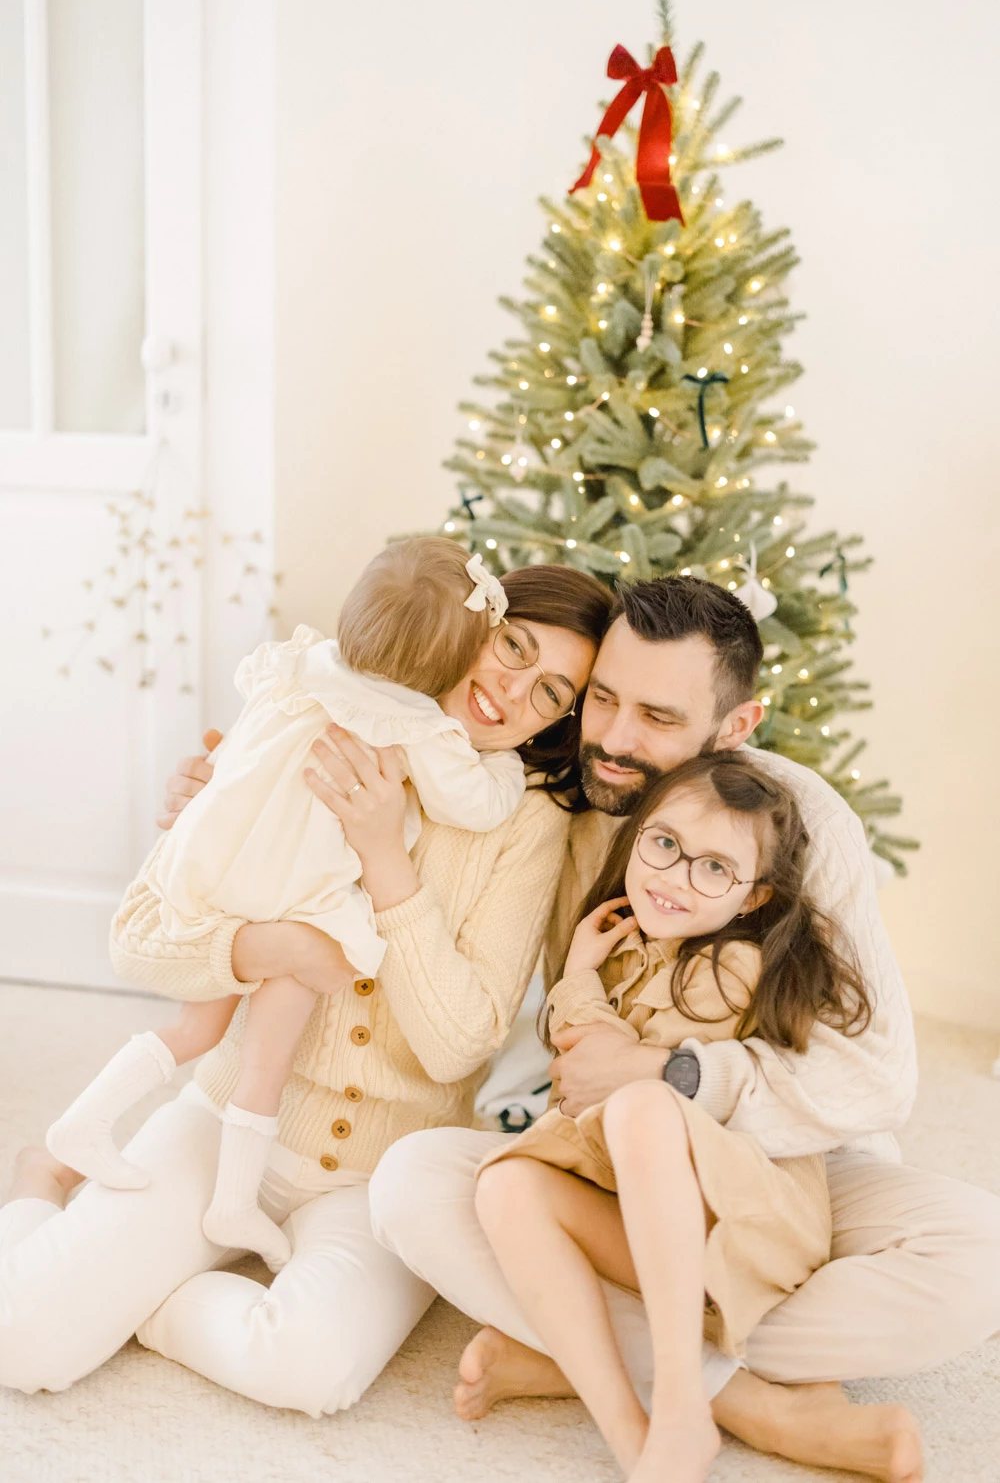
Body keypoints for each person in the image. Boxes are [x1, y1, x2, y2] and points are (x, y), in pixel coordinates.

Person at [366, 576, 1000, 1482]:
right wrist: (251, 790)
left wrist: (672, 1075)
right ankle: (747, 1401)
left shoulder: (797, 825)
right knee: (414, 1187)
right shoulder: (557, 794)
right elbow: (405, 761)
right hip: (611, 1173)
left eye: (658, 718)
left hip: (774, 1163)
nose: (617, 739)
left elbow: (876, 1080)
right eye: (605, 699)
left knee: (986, 1260)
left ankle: (572, 1355)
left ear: (735, 729)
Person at [0, 562, 607, 1415]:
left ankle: (147, 1300)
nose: (511, 689)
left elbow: (459, 1043)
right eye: (513, 646)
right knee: (21, 1340)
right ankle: (43, 1181)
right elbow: (141, 936)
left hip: (383, 1172)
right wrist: (261, 942)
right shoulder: (306, 718)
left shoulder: (526, 822)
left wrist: (384, 860)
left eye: (551, 693)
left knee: (309, 1370)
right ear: (475, 622)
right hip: (229, 1116)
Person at [45, 539, 534, 1271]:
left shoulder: (298, 665)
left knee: (194, 1028)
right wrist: (508, 768)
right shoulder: (415, 727)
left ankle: (83, 1123)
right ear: (454, 667)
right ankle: (234, 1199)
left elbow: (245, 719)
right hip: (297, 903)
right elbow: (478, 804)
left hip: (220, 866)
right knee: (265, 1059)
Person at [474, 750, 919, 1483]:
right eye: (665, 844)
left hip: (745, 1220)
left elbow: (608, 1070)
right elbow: (575, 1076)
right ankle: (636, 1442)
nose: (676, 876)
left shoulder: (730, 969)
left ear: (751, 898)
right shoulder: (632, 949)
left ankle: (684, 1399)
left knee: (648, 1102)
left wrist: (579, 980)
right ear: (640, 834)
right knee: (502, 1187)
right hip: (656, 1219)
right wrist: (592, 972)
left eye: (714, 868)